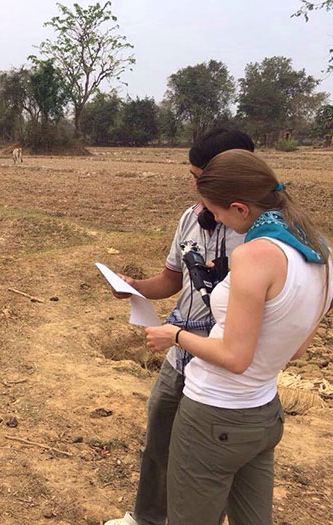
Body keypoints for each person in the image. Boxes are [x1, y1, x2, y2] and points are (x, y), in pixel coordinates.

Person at [145, 150, 333, 524]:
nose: (214, 219)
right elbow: (296, 350)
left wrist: (175, 335)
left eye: (215, 212)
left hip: (213, 413)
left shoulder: (254, 255)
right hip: (263, 413)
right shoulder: (320, 252)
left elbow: (234, 356)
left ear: (240, 208)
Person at [106, 129, 255, 525]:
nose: (193, 185)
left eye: (199, 175)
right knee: (159, 438)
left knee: (205, 457)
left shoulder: (256, 238)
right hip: (180, 354)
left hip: (219, 361)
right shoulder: (190, 218)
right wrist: (134, 288)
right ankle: (147, 517)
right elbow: (172, 279)